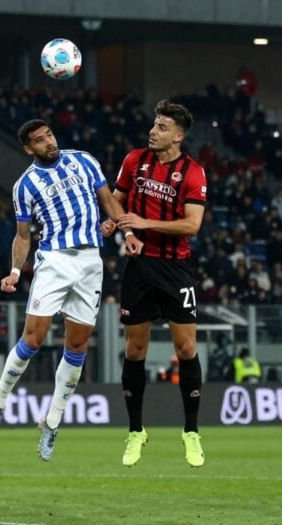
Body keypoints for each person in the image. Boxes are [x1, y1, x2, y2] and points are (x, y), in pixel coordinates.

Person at [0, 118, 119, 461]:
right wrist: (15, 270)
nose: (49, 143)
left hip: (90, 261)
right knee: (33, 339)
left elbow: (108, 201)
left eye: (50, 136)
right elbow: (23, 235)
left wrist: (120, 225)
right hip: (54, 261)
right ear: (28, 149)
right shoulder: (24, 185)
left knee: (77, 345)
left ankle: (53, 422)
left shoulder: (84, 160)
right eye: (40, 141)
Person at [110, 100, 208, 467]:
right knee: (135, 351)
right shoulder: (135, 159)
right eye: (154, 124)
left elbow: (192, 225)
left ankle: (192, 432)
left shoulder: (193, 172)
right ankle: (136, 431)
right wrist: (123, 228)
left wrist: (145, 225)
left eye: (163, 127)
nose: (154, 131)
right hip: (138, 267)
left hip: (176, 269)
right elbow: (116, 202)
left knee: (186, 348)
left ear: (179, 136)